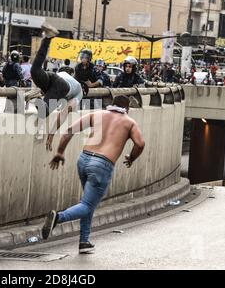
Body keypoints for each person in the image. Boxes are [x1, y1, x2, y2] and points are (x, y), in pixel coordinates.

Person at [42, 95, 145, 253]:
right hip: (102, 165)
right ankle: (58, 217)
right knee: (88, 204)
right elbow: (140, 144)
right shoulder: (129, 122)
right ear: (127, 109)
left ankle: (84, 241)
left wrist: (60, 152)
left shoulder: (97, 115)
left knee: (86, 202)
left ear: (112, 104)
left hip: (83, 160)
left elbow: (70, 130)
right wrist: (131, 158)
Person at [30, 23, 88, 151]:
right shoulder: (79, 92)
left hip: (52, 77)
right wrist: (51, 133)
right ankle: (42, 106)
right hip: (60, 86)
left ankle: (47, 39)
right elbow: (64, 113)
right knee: (44, 111)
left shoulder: (68, 74)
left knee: (35, 70)